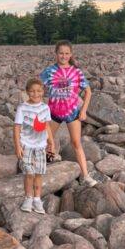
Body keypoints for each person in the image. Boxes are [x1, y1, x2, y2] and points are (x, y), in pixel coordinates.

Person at [40, 40, 97, 187]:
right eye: (61, 53)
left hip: (72, 113)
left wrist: (83, 110)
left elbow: (88, 91)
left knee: (76, 143)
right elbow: (38, 88)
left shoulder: (77, 72)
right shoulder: (49, 71)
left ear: (70, 54)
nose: (63, 56)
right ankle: (44, 168)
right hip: (53, 112)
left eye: (66, 53)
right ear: (56, 53)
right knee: (47, 141)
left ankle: (85, 175)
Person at [13, 78, 55, 214]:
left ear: (43, 91)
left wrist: (51, 142)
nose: (35, 94)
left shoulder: (45, 107)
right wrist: (18, 146)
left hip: (41, 146)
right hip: (26, 145)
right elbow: (17, 128)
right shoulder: (23, 108)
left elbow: (47, 126)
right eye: (32, 91)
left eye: (38, 91)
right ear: (27, 92)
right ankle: (28, 198)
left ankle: (37, 199)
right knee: (28, 173)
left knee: (38, 173)